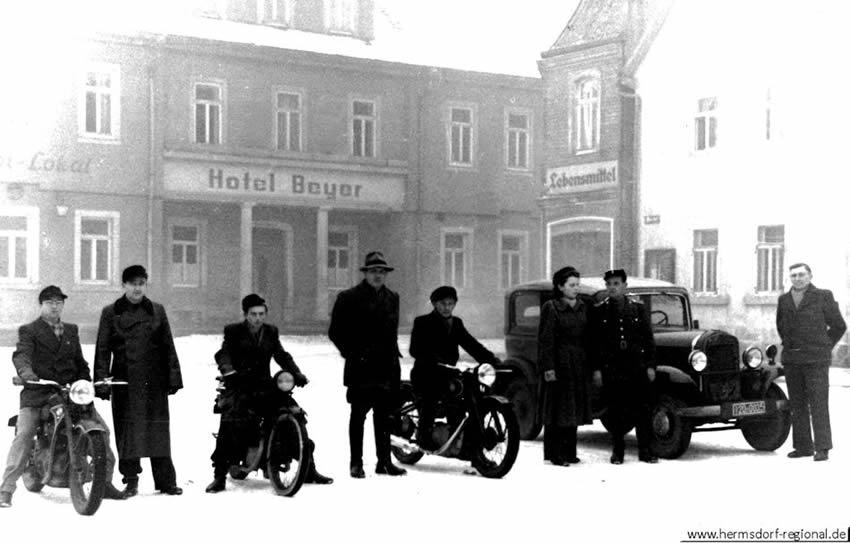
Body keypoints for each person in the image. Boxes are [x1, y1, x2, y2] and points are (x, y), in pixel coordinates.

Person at [0, 286, 125, 508]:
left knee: (101, 430)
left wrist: (85, 380)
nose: (55, 306)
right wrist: (27, 374)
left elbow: (79, 362)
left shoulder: (71, 330)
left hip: (69, 393)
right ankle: (6, 489)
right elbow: (22, 355)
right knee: (25, 434)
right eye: (49, 302)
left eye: (59, 302)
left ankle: (103, 483)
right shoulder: (29, 330)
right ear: (41, 305)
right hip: (38, 392)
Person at [205, 293, 333, 492]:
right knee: (231, 420)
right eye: (254, 314)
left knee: (293, 412)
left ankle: (308, 468)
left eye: (261, 314)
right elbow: (223, 353)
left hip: (265, 385)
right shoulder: (233, 331)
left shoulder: (271, 331)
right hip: (239, 384)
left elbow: (281, 355)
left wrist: (296, 373)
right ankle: (219, 475)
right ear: (245, 314)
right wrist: (229, 371)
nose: (258, 318)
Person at [94, 265, 183, 497]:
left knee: (158, 430)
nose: (137, 288)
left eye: (141, 283)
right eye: (133, 284)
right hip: (125, 380)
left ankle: (166, 481)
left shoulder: (157, 310)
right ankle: (131, 480)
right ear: (123, 285)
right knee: (128, 431)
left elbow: (168, 346)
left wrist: (173, 377)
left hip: (154, 380)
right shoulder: (111, 312)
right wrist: (102, 381)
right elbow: (102, 349)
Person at [328, 251, 406, 478]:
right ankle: (356, 463)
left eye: (382, 272)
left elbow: (391, 334)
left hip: (386, 367)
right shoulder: (348, 297)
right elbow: (335, 332)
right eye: (373, 271)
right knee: (359, 414)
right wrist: (353, 354)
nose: (378, 276)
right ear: (365, 273)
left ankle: (384, 462)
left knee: (384, 416)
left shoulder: (393, 297)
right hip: (361, 367)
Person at [409, 285, 500, 449]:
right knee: (431, 397)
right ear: (435, 304)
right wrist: (432, 358)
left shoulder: (456, 323)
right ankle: (423, 434)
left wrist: (490, 359)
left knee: (463, 396)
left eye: (451, 304)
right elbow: (415, 349)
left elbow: (470, 344)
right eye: (443, 304)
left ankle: (460, 438)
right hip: (426, 373)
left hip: (448, 373)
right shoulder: (422, 322)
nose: (447, 308)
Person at [776, 262, 846, 462]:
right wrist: (789, 344)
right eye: (793, 276)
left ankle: (822, 447)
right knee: (797, 404)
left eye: (801, 275)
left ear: (810, 276)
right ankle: (803, 446)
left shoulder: (823, 296)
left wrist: (824, 345)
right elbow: (781, 326)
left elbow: (839, 325)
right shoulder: (784, 299)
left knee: (818, 403)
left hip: (816, 359)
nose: (797, 279)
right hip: (793, 359)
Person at [588, 269, 658, 465]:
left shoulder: (637, 308)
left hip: (636, 367)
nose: (612, 287)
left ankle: (645, 451)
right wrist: (597, 370)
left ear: (625, 286)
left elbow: (648, 340)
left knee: (642, 411)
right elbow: (594, 344)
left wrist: (651, 366)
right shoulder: (600, 310)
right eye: (609, 284)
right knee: (616, 411)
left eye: (616, 283)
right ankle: (617, 451)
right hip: (613, 368)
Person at [538, 267, 592, 466]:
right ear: (560, 287)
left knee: (573, 409)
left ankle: (570, 452)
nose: (576, 289)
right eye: (571, 285)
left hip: (578, 364)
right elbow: (545, 340)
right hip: (559, 364)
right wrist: (548, 367)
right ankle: (555, 454)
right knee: (558, 410)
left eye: (577, 285)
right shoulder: (551, 308)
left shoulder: (582, 307)